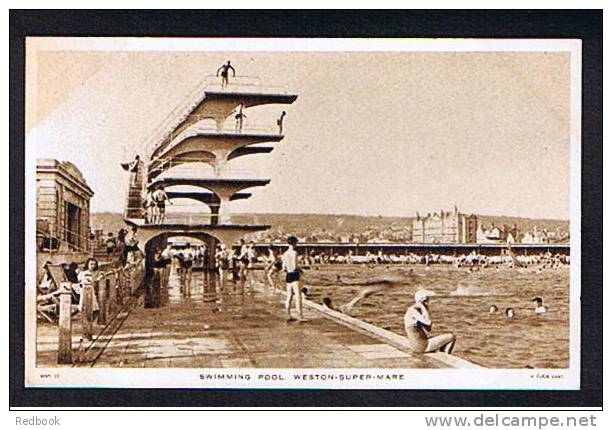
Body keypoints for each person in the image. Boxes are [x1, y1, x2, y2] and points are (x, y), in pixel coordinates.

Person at [404, 289, 456, 354]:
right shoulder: (413, 311)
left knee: (441, 340)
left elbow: (428, 329)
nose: (427, 303)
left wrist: (424, 310)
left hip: (417, 346)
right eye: (425, 301)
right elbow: (428, 322)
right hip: (422, 347)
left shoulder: (414, 311)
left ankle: (442, 353)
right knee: (452, 337)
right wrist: (424, 308)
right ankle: (446, 356)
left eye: (428, 301)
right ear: (420, 301)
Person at [282, 236, 303, 322]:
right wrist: (301, 270)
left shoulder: (285, 254)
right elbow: (295, 266)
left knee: (289, 296)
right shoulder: (294, 253)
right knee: (298, 296)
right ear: (294, 243)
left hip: (288, 275)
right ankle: (300, 315)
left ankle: (288, 314)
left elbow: (283, 268)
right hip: (294, 274)